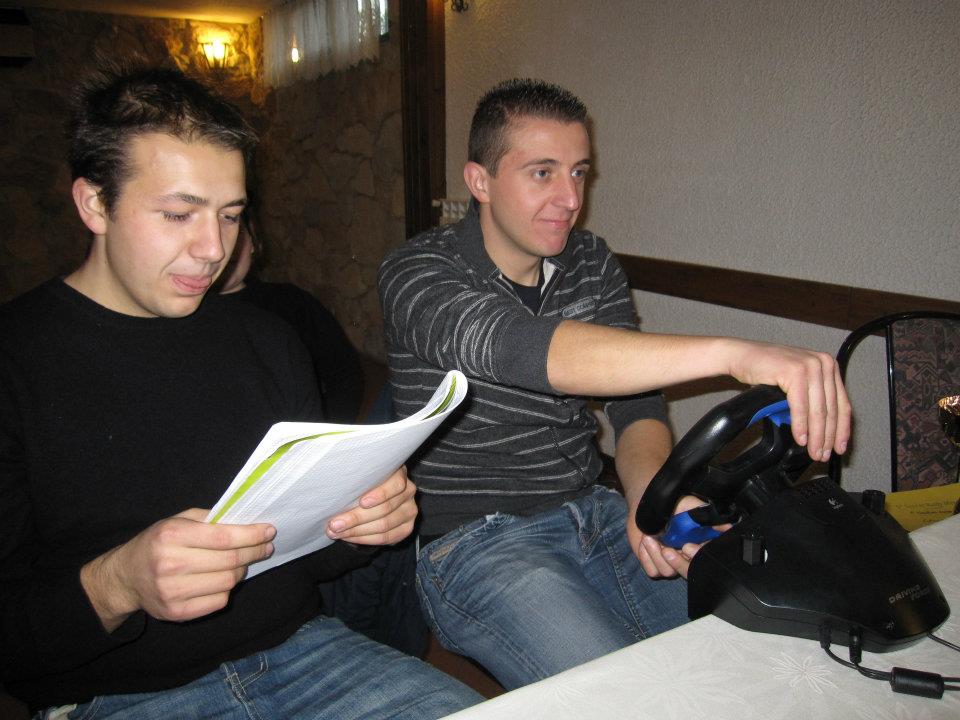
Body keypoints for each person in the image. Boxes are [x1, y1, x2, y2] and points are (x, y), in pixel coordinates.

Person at [0, 66, 482, 719]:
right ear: (93, 204)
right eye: (179, 214)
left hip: (305, 651)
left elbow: (305, 561)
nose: (213, 249)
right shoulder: (16, 361)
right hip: (112, 695)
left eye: (230, 216)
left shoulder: (268, 340)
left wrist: (360, 526)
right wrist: (117, 584)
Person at [377, 78, 851, 690]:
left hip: (593, 509)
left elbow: (637, 406)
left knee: (749, 653)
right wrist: (735, 353)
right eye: (543, 173)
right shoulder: (418, 271)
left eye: (579, 172)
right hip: (475, 543)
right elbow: (523, 348)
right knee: (624, 695)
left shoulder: (590, 261)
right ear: (480, 181)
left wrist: (650, 498)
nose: (570, 198)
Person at [219, 215, 365, 424]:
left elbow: (345, 373)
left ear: (252, 239)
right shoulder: (184, 319)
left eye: (235, 227)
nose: (227, 246)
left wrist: (324, 434)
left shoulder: (291, 302)